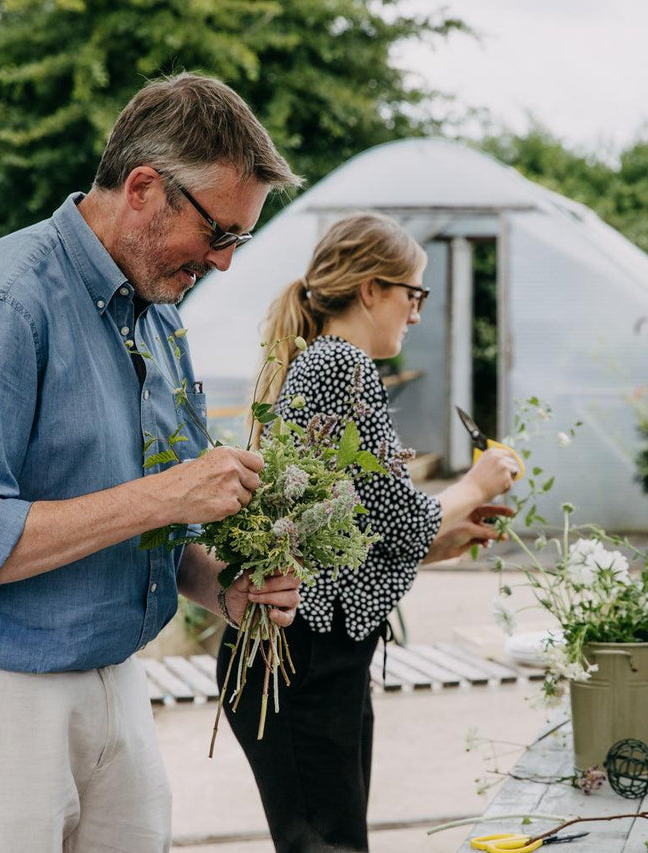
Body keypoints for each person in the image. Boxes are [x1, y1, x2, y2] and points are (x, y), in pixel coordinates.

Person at [0, 73, 305, 851]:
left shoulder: (158, 315)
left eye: (238, 240)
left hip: (115, 683)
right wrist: (168, 493)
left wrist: (223, 586)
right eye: (218, 232)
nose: (223, 262)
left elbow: (152, 526)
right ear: (143, 188)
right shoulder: (6, 299)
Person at [217, 212, 521, 852]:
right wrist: (477, 483)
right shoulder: (339, 364)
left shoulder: (329, 363)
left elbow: (348, 532)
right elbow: (398, 516)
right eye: (414, 294)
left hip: (315, 652)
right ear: (371, 289)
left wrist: (438, 543)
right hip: (302, 655)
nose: (417, 313)